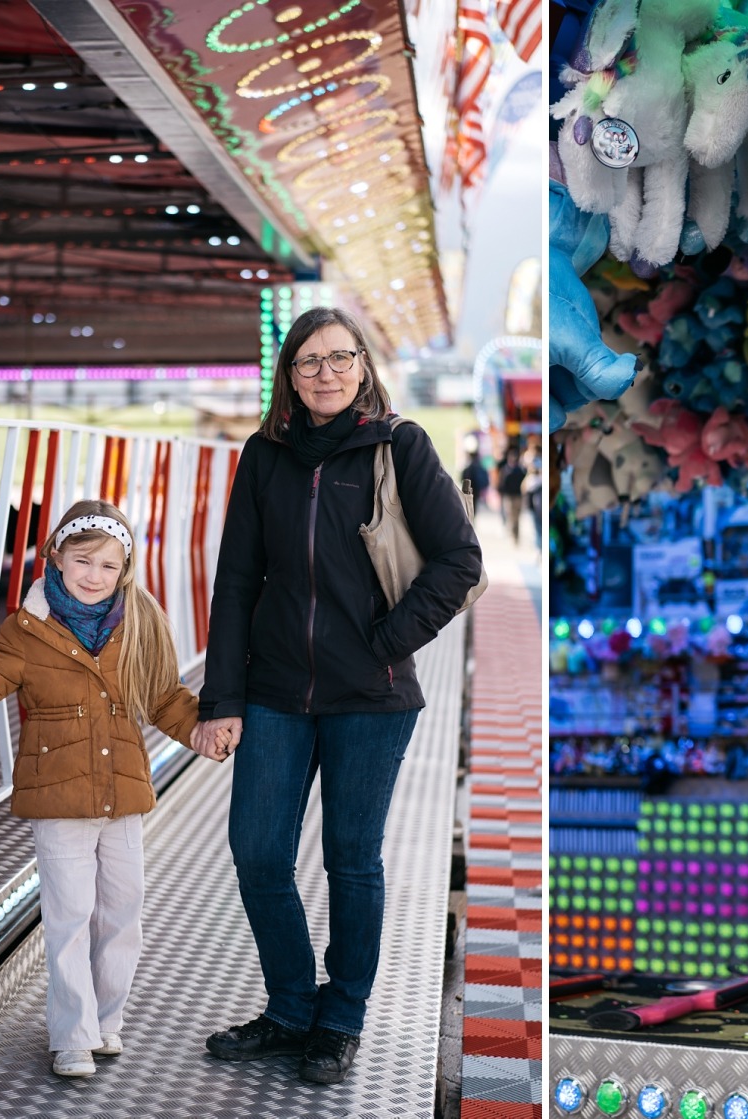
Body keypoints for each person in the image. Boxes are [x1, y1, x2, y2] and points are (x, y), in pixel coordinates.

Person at [195, 306, 483, 1085]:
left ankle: (341, 1017)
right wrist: (220, 697)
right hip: (275, 691)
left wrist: (387, 642)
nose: (325, 373)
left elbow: (459, 559)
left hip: (372, 696)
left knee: (353, 861)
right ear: (288, 376)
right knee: (258, 852)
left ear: (362, 364)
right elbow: (235, 582)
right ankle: (290, 1008)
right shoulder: (265, 456)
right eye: (308, 362)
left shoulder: (400, 445)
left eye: (338, 358)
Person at [0, 499, 229, 1079]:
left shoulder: (140, 621)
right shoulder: (28, 630)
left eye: (108, 566)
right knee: (69, 915)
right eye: (83, 560)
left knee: (122, 913)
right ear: (56, 559)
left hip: (122, 796)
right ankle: (72, 1034)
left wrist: (198, 732)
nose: (94, 575)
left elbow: (164, 696)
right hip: (58, 800)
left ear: (126, 571)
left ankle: (106, 1022)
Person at [498, 446, 527, 545]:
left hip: (517, 497)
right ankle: (513, 535)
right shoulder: (506, 470)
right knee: (511, 516)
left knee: (516, 517)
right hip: (509, 497)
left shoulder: (519, 470)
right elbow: (501, 484)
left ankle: (516, 535)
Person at [461, 450, 492, 518]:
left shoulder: (469, 466)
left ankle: (471, 518)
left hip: (469, 489)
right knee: (473, 505)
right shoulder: (479, 466)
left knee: (469, 505)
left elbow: (463, 477)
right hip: (476, 489)